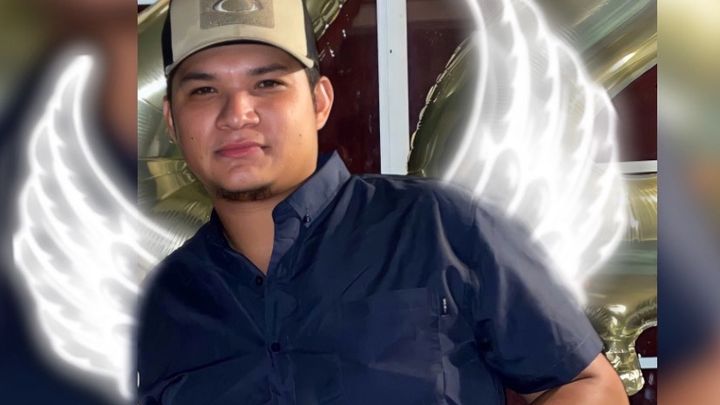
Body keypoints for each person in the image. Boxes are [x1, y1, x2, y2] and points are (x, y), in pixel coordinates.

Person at [136, 1, 627, 404]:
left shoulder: (439, 227)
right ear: (173, 122)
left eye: (267, 83)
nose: (237, 113)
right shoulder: (166, 299)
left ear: (319, 101)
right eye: (204, 89)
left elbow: (588, 385)